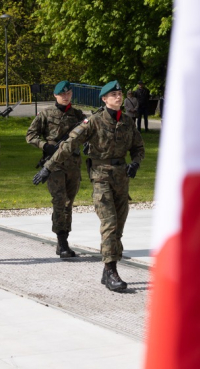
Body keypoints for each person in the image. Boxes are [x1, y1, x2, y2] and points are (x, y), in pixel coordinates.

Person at [33, 80, 145, 292]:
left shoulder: (128, 122)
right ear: (104, 99)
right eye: (114, 95)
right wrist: (47, 167)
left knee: (118, 227)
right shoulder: (92, 122)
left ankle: (107, 271)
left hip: (122, 179)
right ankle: (111, 270)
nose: (119, 97)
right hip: (101, 178)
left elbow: (138, 147)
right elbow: (68, 145)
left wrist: (136, 163)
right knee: (109, 223)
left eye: (120, 94)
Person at [26, 80, 86, 258]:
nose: (66, 97)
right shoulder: (45, 114)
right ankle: (62, 242)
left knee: (69, 202)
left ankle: (64, 238)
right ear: (55, 95)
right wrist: (45, 146)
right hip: (54, 166)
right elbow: (30, 135)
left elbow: (87, 134)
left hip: (73, 165)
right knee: (60, 202)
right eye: (62, 94)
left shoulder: (77, 115)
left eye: (68, 94)